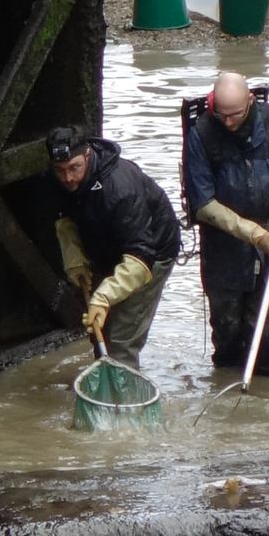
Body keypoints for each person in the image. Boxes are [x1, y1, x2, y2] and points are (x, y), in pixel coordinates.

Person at [183, 72, 269, 375]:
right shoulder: (201, 134)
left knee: (266, 326)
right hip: (224, 245)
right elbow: (203, 204)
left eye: (236, 114)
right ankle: (225, 376)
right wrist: (254, 234)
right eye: (222, 115)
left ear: (250, 101)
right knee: (227, 328)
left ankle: (265, 381)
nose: (229, 122)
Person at [47, 126, 180, 369]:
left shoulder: (120, 188)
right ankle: (105, 385)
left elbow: (140, 257)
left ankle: (126, 401)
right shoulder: (59, 180)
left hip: (151, 254)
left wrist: (104, 296)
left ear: (87, 155)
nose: (68, 178)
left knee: (121, 339)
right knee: (98, 329)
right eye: (60, 171)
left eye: (74, 168)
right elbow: (64, 219)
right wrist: (75, 260)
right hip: (106, 248)